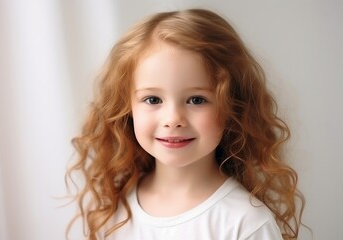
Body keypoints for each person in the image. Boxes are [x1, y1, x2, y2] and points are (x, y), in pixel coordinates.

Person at [66, 8, 305, 240]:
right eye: (153, 99)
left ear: (232, 105)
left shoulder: (246, 223)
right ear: (127, 107)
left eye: (196, 100)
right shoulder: (116, 206)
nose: (173, 119)